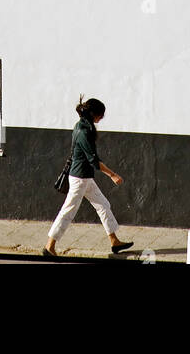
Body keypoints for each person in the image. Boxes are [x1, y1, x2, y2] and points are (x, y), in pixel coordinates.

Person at [43, 97, 134, 258]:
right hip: (80, 178)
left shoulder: (80, 126)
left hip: (83, 177)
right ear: (94, 114)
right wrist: (113, 175)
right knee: (68, 211)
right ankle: (50, 246)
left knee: (103, 204)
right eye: (101, 115)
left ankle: (114, 241)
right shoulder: (85, 132)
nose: (101, 119)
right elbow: (93, 160)